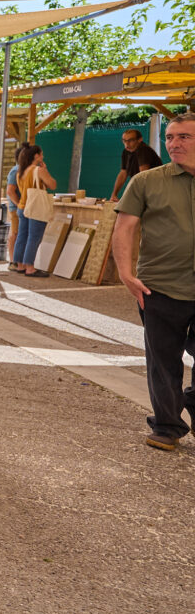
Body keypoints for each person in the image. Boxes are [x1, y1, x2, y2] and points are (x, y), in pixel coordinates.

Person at [114, 113, 195, 451]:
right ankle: (167, 426)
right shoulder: (146, 181)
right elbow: (125, 227)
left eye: (184, 137)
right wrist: (125, 273)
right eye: (170, 137)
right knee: (163, 361)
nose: (174, 143)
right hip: (160, 286)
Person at [12, 147, 57, 276]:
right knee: (34, 237)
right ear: (36, 156)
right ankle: (30, 268)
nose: (43, 157)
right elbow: (53, 185)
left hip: (22, 206)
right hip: (35, 208)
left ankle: (20, 265)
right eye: (41, 154)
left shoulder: (20, 172)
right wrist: (45, 170)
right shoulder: (38, 170)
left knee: (22, 236)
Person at [5, 143, 38, 267]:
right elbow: (10, 191)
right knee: (15, 233)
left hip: (22, 207)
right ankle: (13, 261)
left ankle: (18, 261)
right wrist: (20, 205)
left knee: (19, 234)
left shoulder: (25, 170)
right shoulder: (16, 170)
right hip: (17, 208)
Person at [110, 128, 163, 200]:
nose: (127, 144)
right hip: (143, 189)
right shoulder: (126, 152)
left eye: (130, 140)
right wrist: (114, 194)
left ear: (140, 140)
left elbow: (143, 174)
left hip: (155, 191)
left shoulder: (143, 149)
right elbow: (123, 173)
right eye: (124, 140)